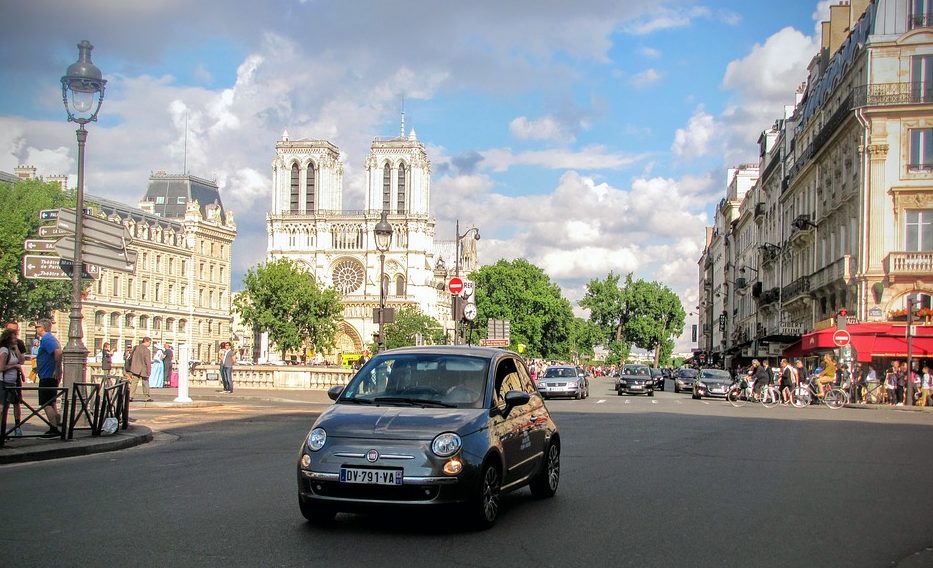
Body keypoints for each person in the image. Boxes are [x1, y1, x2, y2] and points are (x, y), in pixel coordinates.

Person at [34, 319, 62, 437]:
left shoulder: (47, 339)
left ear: (42, 328)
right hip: (49, 374)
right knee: (52, 402)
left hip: (47, 376)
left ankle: (54, 428)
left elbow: (58, 352)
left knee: (46, 404)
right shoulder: (49, 338)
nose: (35, 329)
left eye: (37, 326)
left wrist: (56, 368)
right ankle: (56, 426)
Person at [0, 327, 24, 437]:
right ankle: (2, 432)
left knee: (14, 404)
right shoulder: (4, 350)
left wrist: (16, 349)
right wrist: (14, 366)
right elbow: (1, 367)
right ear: (8, 339)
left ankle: (7, 431)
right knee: (2, 408)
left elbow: (21, 361)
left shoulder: (12, 350)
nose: (16, 339)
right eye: (14, 338)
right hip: (4, 383)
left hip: (13, 382)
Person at [127, 337, 153, 402]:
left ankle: (131, 396)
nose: (150, 344)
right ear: (146, 341)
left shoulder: (136, 348)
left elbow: (131, 358)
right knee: (145, 383)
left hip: (135, 368)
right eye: (150, 342)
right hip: (143, 369)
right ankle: (147, 397)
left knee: (134, 383)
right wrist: (149, 371)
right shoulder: (147, 350)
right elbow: (148, 362)